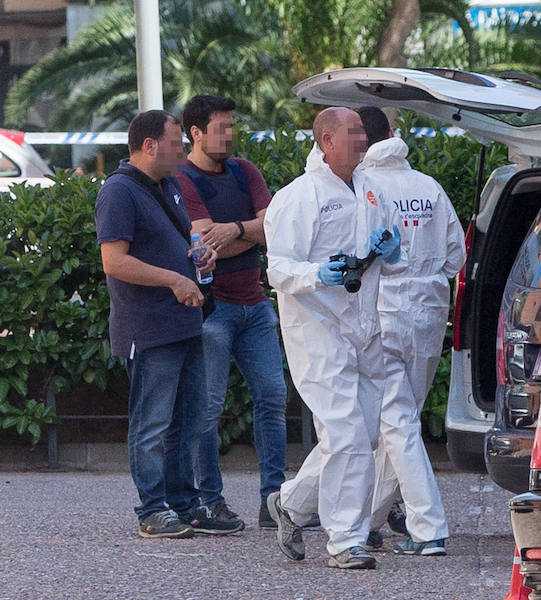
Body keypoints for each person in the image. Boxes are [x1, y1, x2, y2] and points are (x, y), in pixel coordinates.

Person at [263, 107, 402, 570]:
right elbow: (279, 268)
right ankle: (346, 540)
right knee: (345, 432)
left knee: (357, 435)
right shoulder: (297, 198)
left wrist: (389, 249)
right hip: (317, 330)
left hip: (363, 327)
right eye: (355, 132)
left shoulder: (369, 189)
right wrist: (318, 275)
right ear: (327, 140)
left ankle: (291, 505)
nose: (364, 139)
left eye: (363, 131)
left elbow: (390, 251)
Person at [94, 110, 243, 538]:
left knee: (190, 421)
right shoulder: (118, 192)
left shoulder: (170, 185)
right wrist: (174, 279)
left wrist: (197, 256)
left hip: (186, 323)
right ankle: (152, 510)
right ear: (149, 145)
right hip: (149, 328)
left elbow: (176, 242)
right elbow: (113, 261)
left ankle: (184, 504)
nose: (182, 150)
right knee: (152, 425)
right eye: (176, 142)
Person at [356, 106, 466, 556]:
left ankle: (428, 528)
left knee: (396, 424)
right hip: (429, 310)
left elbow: (355, 254)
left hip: (384, 309)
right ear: (393, 134)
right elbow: (456, 255)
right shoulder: (428, 186)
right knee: (399, 424)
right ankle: (369, 521)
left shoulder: (362, 188)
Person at [176, 95, 288, 530]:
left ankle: (274, 501)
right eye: (221, 127)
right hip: (214, 309)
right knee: (207, 408)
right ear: (196, 133)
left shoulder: (245, 170)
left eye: (231, 126)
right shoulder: (183, 179)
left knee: (273, 397)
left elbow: (273, 226)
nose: (230, 134)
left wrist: (237, 230)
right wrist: (251, 232)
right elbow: (205, 243)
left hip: (256, 305)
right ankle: (210, 501)